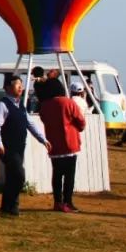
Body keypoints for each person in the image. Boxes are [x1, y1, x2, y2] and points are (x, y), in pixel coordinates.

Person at [0, 75, 51, 217]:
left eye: (21, 85)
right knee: (19, 176)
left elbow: (30, 124)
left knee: (12, 177)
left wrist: (43, 140)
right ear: (7, 88)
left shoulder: (21, 106)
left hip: (19, 147)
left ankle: (9, 208)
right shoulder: (2, 105)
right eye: (17, 85)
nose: (21, 88)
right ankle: (11, 206)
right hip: (7, 148)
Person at [38, 78, 87, 213]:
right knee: (69, 175)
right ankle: (68, 202)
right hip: (70, 143)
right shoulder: (68, 102)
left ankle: (57, 202)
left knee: (57, 175)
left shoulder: (45, 105)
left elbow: (43, 118)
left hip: (54, 144)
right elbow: (81, 121)